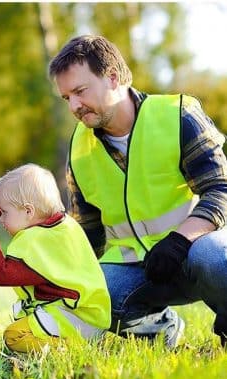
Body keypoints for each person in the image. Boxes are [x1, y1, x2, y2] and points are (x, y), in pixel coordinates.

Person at [48, 34, 227, 348]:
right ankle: (164, 330)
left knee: (214, 257)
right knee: (96, 295)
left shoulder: (178, 115)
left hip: (196, 249)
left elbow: (220, 189)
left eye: (79, 91)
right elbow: (87, 237)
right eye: (67, 98)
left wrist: (179, 240)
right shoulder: (79, 150)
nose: (74, 106)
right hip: (139, 270)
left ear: (112, 77)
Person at [0, 163, 111, 353]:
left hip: (76, 317)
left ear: (29, 211)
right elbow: (19, 216)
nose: (2, 219)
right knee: (25, 324)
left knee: (14, 336)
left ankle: (70, 347)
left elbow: (2, 274)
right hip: (90, 312)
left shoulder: (37, 242)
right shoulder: (59, 227)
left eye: (4, 213)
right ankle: (85, 339)